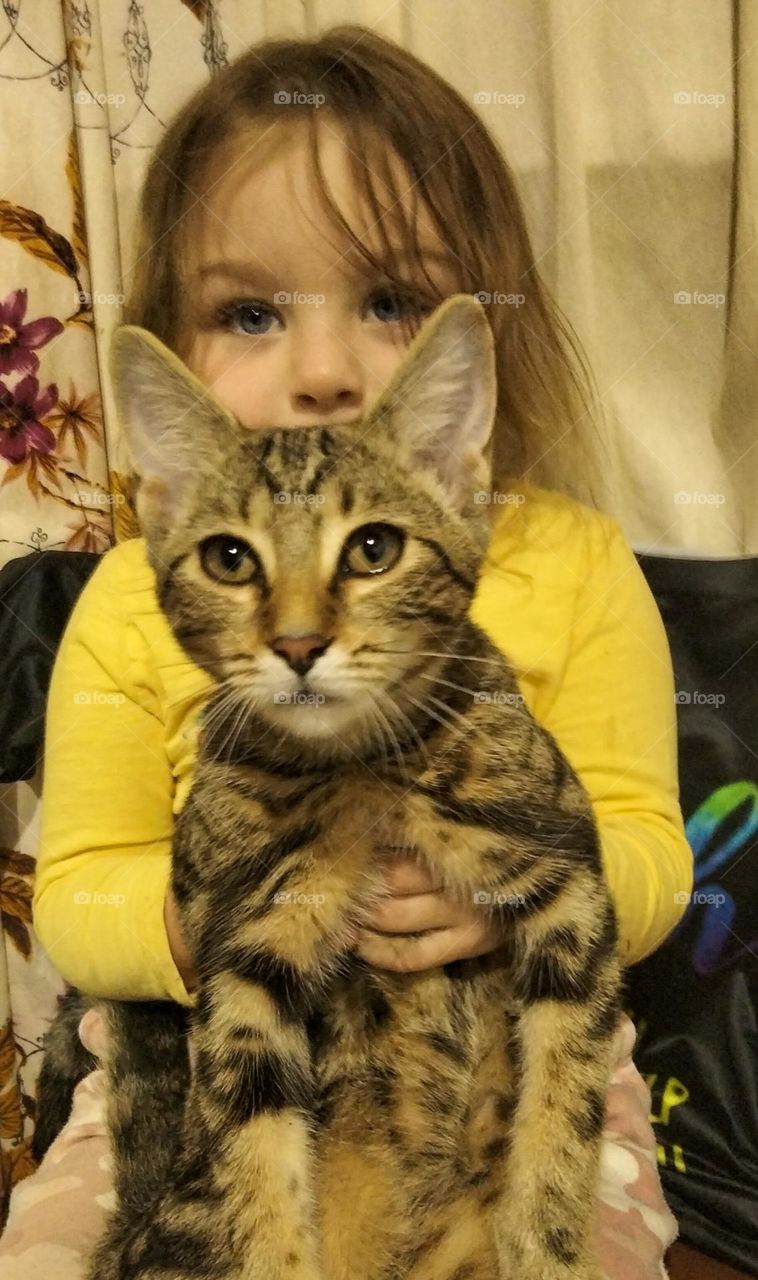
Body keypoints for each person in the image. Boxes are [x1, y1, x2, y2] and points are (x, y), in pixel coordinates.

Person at [0, 24, 690, 1278]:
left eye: (388, 302)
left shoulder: (575, 565)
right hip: (220, 1061)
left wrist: (491, 901)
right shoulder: (123, 595)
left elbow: (648, 851)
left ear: (452, 442)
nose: (322, 369)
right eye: (251, 310)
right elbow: (75, 887)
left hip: (522, 1058)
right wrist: (201, 915)